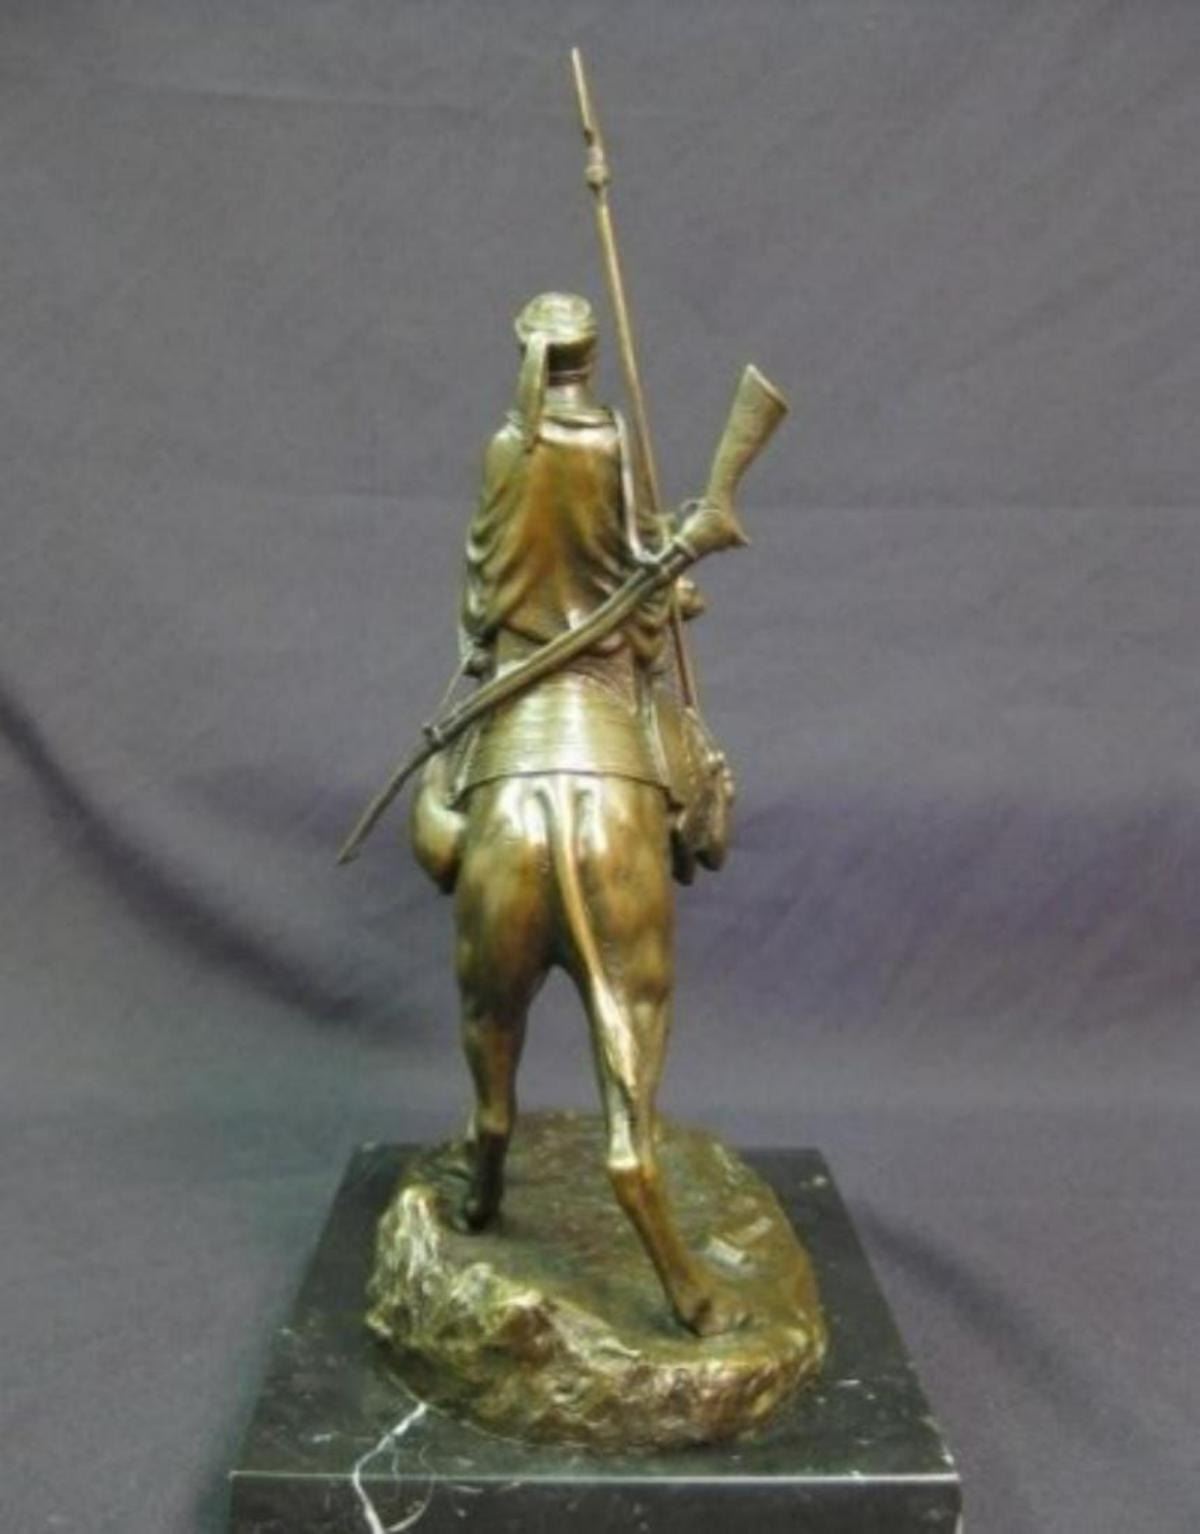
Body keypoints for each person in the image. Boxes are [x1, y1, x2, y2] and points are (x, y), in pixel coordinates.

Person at [410, 291, 746, 1335]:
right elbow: (634, 595)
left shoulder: (501, 450)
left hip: (517, 742)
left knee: (455, 853)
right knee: (696, 781)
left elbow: (481, 612)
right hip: (600, 735)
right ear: (590, 361)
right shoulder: (610, 440)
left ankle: (488, 1153)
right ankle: (640, 1176)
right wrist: (670, 579)